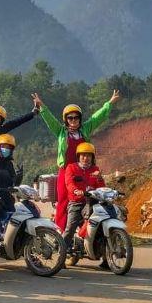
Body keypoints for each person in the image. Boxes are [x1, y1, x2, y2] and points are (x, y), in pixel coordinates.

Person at [33, 90, 120, 231]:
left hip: (85, 169)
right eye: (70, 118)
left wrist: (109, 103)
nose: (73, 120)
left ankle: (88, 232)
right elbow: (50, 120)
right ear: (66, 120)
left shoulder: (85, 129)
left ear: (80, 119)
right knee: (63, 201)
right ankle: (61, 233)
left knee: (91, 198)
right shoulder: (61, 132)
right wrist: (41, 106)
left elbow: (98, 117)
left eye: (76, 118)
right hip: (66, 170)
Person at [64, 142, 106, 263]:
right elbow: (69, 183)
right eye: (83, 155)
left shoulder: (95, 169)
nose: (86, 158)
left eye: (88, 155)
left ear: (92, 157)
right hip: (76, 202)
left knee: (102, 226)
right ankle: (61, 255)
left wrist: (99, 178)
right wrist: (76, 191)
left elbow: (101, 187)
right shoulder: (71, 167)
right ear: (79, 156)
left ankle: (106, 259)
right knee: (70, 227)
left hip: (93, 203)